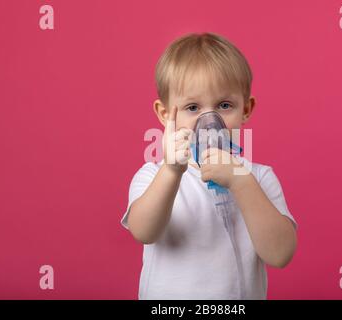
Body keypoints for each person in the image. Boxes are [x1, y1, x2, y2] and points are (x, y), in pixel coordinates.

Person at [121, 32, 297, 299]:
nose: (210, 119)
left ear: (246, 109)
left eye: (224, 105)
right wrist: (171, 171)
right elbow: (144, 231)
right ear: (166, 114)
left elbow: (280, 254)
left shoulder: (258, 178)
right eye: (192, 107)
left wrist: (241, 181)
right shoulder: (154, 175)